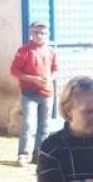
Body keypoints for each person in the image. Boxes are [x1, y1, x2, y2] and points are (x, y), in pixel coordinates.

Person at [9, 21, 58, 166]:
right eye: (36, 32)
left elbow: (56, 69)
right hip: (29, 93)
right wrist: (33, 79)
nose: (39, 36)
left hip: (47, 93)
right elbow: (14, 71)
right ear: (31, 33)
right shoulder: (24, 51)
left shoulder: (51, 51)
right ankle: (23, 154)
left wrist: (51, 78)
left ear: (47, 34)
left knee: (45, 125)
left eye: (42, 33)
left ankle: (40, 154)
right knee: (29, 123)